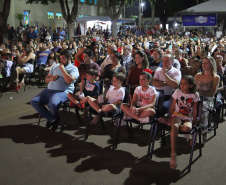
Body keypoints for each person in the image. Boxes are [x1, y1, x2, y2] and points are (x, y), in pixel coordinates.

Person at [30, 50, 79, 130]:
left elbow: (69, 81)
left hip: (63, 91)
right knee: (34, 101)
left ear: (69, 58)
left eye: (63, 58)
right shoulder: (55, 66)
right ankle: (53, 119)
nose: (61, 61)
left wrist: (63, 69)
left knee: (52, 103)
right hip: (49, 90)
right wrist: (51, 79)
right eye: (60, 58)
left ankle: (52, 119)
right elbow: (46, 79)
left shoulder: (74, 68)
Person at [165, 75, 199, 169]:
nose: (182, 85)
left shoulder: (194, 95)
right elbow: (172, 106)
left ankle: (172, 127)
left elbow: (195, 110)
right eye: (181, 83)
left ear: (191, 85)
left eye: (185, 84)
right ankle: (173, 154)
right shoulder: (177, 92)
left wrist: (195, 122)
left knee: (187, 128)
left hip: (188, 117)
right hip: (177, 114)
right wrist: (170, 117)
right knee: (175, 125)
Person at [194, 56, 220, 143]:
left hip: (208, 100)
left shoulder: (216, 77)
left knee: (202, 106)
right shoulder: (198, 75)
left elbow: (211, 93)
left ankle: (202, 132)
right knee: (192, 106)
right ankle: (194, 132)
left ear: (211, 65)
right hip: (196, 99)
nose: (203, 65)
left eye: (206, 63)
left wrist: (198, 92)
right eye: (203, 63)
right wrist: (197, 93)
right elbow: (192, 89)